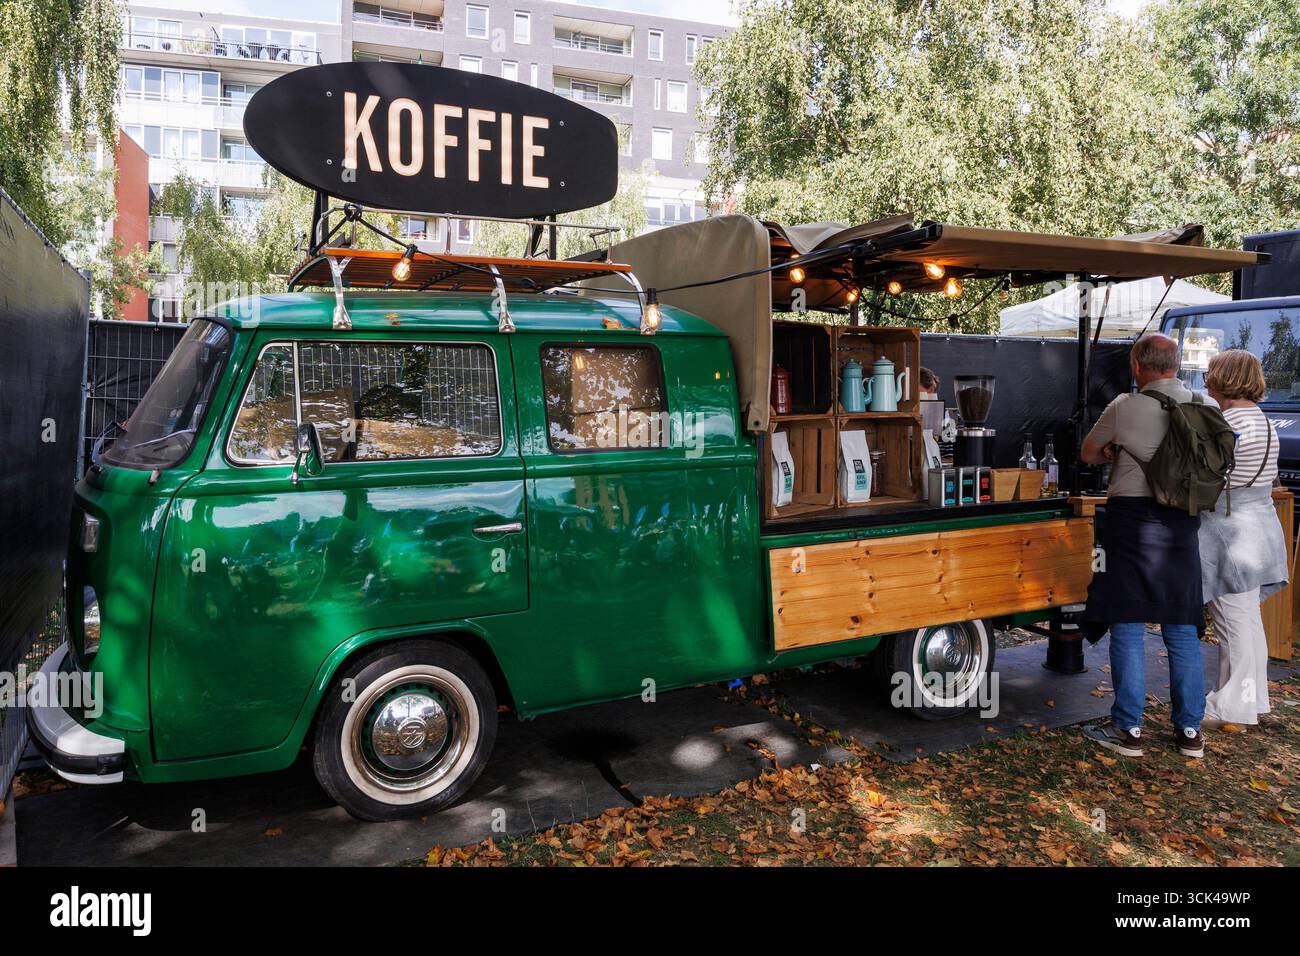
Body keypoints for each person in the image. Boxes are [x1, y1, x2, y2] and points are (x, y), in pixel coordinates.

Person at [1078, 333, 1208, 759]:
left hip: (1131, 523)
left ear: (1137, 365)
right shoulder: (1203, 406)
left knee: (1129, 623)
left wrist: (1117, 451)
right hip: (1182, 524)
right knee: (1182, 625)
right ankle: (1190, 731)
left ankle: (1128, 729)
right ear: (1176, 363)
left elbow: (1088, 453)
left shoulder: (1125, 406)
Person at [1198, 350, 1288, 728]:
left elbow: (1206, 478)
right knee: (1249, 623)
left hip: (1230, 534)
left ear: (1224, 379)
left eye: (1211, 374)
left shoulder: (1227, 422)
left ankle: (1232, 707)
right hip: (1261, 529)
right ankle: (1250, 701)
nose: (1207, 381)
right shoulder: (1264, 423)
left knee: (1234, 625)